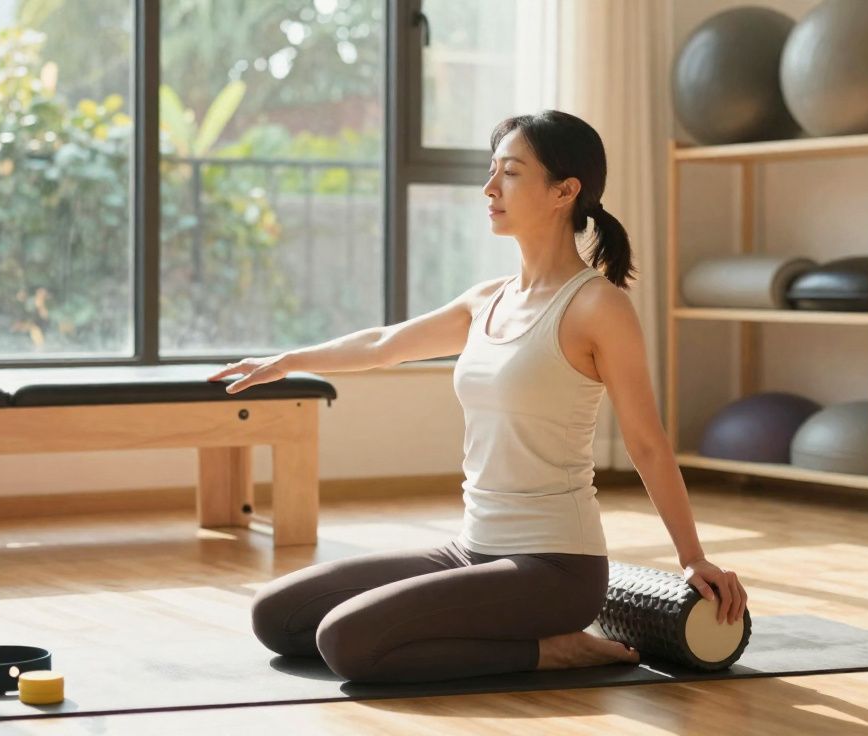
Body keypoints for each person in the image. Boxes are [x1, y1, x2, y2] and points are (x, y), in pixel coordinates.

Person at [207, 110, 747, 684]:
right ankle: (502, 634)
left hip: (554, 568)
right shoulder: (487, 299)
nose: (489, 188)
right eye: (491, 171)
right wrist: (286, 362)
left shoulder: (598, 307)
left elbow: (647, 443)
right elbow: (385, 344)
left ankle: (554, 651)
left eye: (510, 173)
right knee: (277, 616)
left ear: (566, 191)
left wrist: (692, 559)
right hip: (472, 548)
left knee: (347, 641)